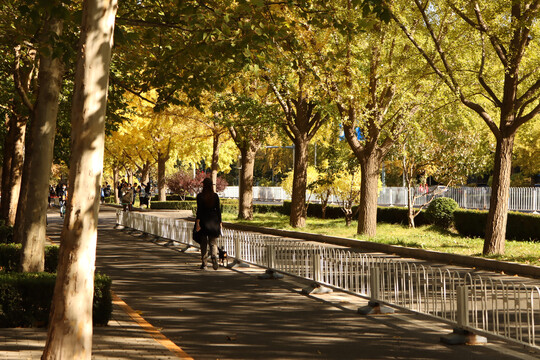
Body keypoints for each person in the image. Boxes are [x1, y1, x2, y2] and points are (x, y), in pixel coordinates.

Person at [195, 177, 222, 270]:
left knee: (203, 242)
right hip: (214, 219)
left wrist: (198, 223)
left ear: (203, 185)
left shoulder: (200, 196)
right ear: (211, 185)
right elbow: (218, 210)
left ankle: (204, 263)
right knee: (213, 241)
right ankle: (214, 256)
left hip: (203, 220)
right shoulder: (215, 196)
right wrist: (220, 222)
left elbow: (199, 210)